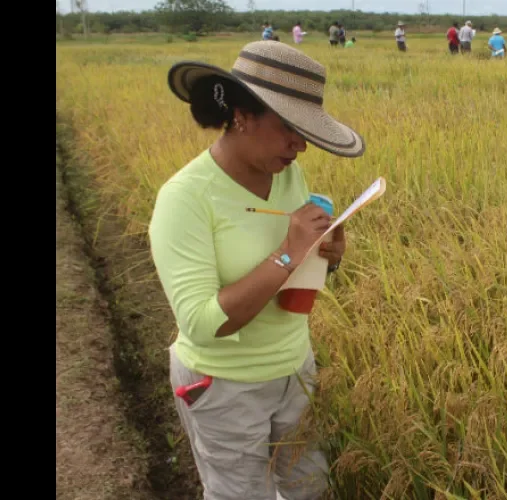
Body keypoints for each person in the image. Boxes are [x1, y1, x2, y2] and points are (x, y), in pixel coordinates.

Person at [152, 40, 365, 500]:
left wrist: (327, 257)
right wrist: (288, 252)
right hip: (223, 387)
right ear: (241, 116)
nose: (301, 145)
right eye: (290, 127)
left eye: (306, 131)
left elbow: (295, 283)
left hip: (294, 370)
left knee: (309, 487)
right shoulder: (184, 199)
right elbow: (203, 324)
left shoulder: (288, 175)